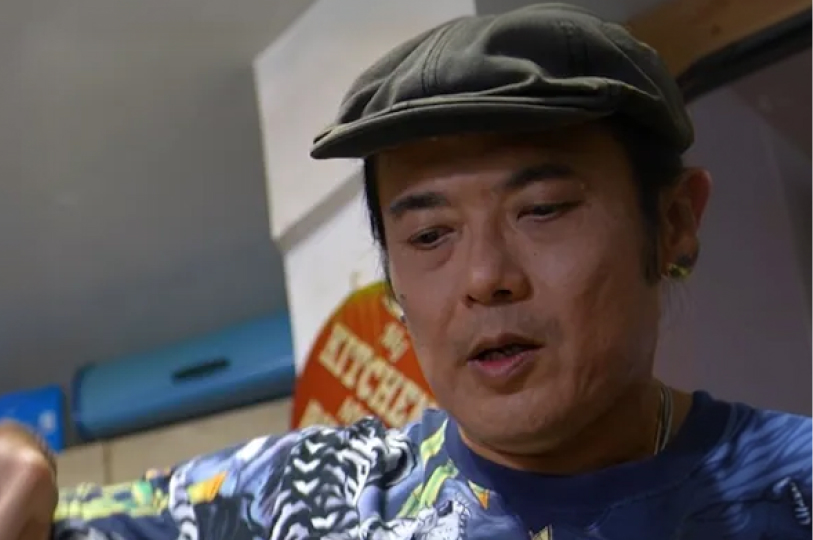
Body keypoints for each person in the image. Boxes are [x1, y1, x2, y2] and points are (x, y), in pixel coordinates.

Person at [0, 4, 810, 539]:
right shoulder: (315, 499)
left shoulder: (789, 492)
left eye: (542, 210)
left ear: (671, 222)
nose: (484, 277)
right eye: (428, 235)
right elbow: (39, 510)